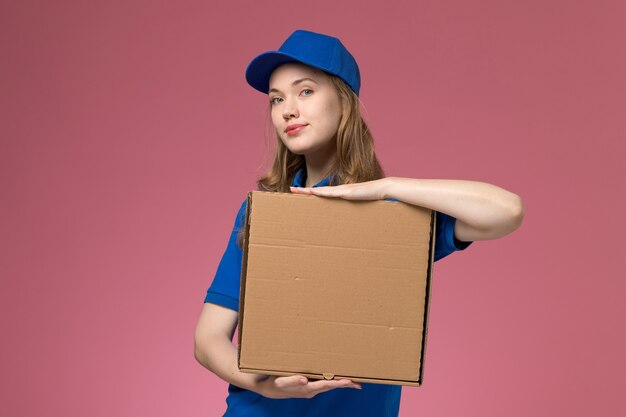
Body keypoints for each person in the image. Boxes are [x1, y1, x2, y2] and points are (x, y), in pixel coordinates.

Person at [194, 29, 524, 417]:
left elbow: (506, 211)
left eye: (305, 92)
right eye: (276, 99)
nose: (287, 110)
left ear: (344, 101)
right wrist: (264, 385)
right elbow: (208, 338)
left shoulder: (395, 217)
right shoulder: (263, 213)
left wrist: (384, 188)